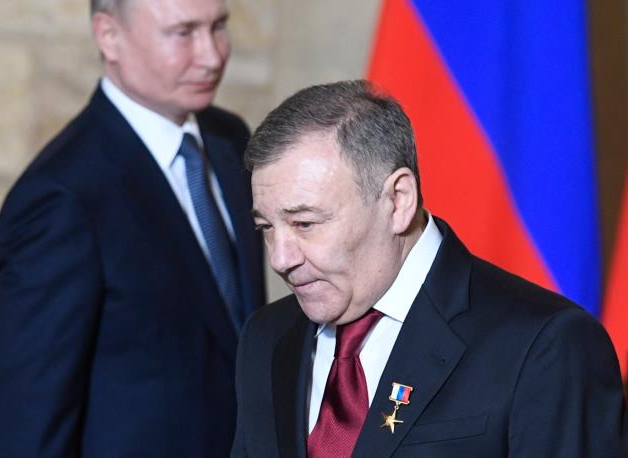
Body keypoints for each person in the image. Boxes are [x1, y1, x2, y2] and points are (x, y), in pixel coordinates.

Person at [231, 80, 626, 457]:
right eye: (266, 228)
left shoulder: (546, 344)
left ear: (398, 200)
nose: (280, 259)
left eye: (305, 224)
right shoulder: (266, 338)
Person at [0, 0, 264, 456]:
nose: (212, 55)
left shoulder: (230, 140)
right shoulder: (62, 197)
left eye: (218, 26)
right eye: (183, 32)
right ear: (109, 35)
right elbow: (26, 426)